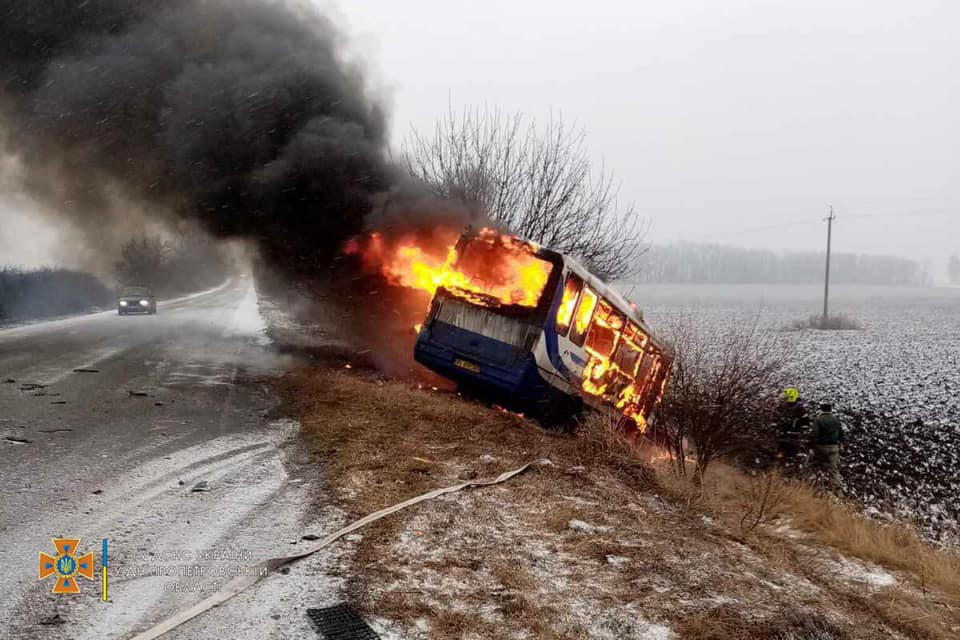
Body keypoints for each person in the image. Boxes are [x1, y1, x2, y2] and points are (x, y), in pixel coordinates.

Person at [811, 403, 844, 490]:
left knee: (817, 465)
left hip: (821, 447)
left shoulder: (818, 420)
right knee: (834, 469)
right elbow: (841, 434)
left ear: (821, 410)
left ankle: (818, 485)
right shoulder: (836, 420)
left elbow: (814, 434)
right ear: (830, 410)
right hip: (834, 447)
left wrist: (813, 444)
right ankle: (835, 487)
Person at [776, 387, 809, 465]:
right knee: (789, 453)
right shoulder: (800, 408)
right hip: (790, 435)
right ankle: (788, 467)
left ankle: (785, 467)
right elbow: (806, 423)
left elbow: (805, 423)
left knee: (785, 453)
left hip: (786, 434)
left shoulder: (782, 407)